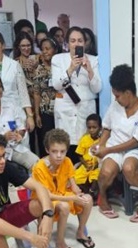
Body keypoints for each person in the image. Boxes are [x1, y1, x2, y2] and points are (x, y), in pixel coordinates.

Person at [92, 64, 138, 222]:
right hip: (114, 148)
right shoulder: (115, 106)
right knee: (105, 172)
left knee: (129, 167)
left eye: (117, 95)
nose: (115, 99)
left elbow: (135, 141)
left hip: (137, 149)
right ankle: (103, 199)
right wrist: (100, 146)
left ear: (128, 93)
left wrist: (108, 149)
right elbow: (106, 128)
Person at [32, 129, 95, 248]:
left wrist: (77, 191)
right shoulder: (39, 167)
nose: (59, 156)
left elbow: (72, 181)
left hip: (62, 194)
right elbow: (46, 195)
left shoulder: (67, 161)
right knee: (64, 206)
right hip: (43, 200)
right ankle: (60, 243)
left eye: (63, 151)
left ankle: (81, 232)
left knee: (88, 199)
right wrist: (71, 197)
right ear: (47, 150)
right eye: (54, 151)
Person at [51, 26, 102, 165]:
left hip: (86, 109)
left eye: (80, 40)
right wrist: (71, 68)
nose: (76, 44)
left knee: (84, 147)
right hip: (65, 108)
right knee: (65, 146)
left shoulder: (93, 60)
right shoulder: (58, 59)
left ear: (85, 43)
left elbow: (97, 88)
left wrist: (90, 70)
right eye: (73, 40)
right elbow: (56, 85)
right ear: (67, 43)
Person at [31, 38, 58, 157]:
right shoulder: (38, 70)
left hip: (61, 110)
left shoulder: (60, 68)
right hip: (45, 111)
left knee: (60, 141)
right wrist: (37, 114)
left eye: (48, 49)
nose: (45, 52)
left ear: (55, 50)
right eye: (42, 49)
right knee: (47, 141)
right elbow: (36, 93)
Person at [74, 114, 101, 197]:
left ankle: (92, 193)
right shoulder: (84, 139)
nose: (92, 130)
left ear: (100, 127)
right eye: (89, 128)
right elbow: (79, 155)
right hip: (85, 165)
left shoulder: (102, 140)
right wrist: (85, 164)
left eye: (94, 127)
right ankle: (84, 191)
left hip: (97, 166)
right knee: (76, 177)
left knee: (96, 176)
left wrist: (97, 164)